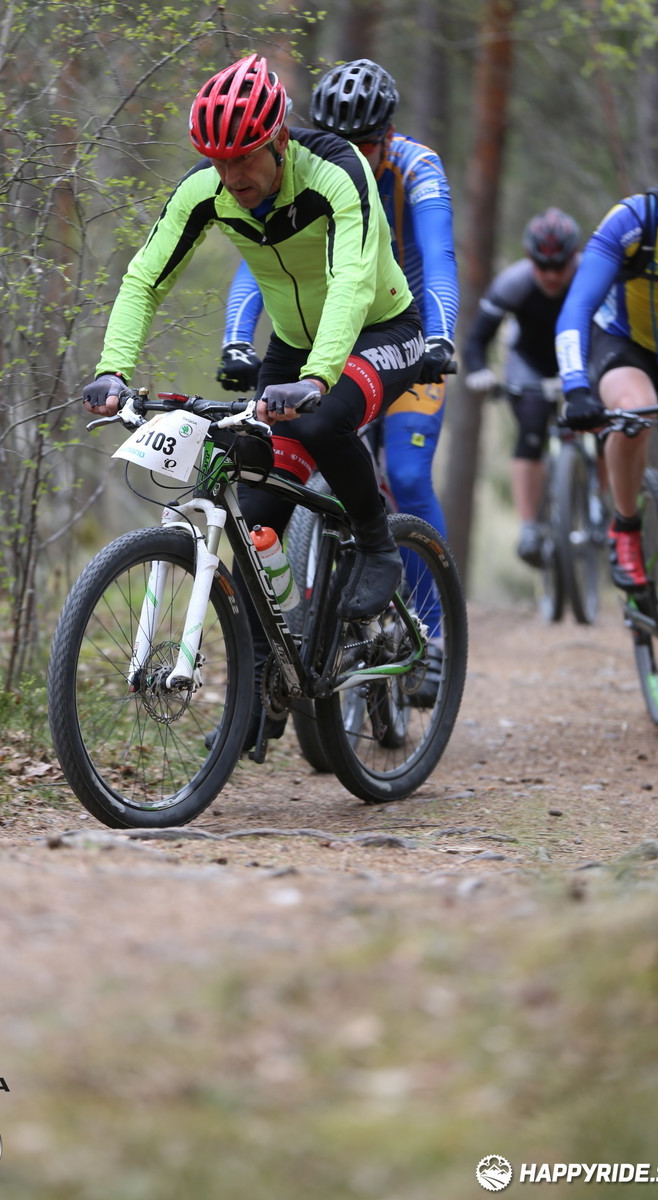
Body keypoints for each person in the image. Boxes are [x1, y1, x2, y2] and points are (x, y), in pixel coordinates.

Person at [82, 53, 428, 750]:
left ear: (277, 140)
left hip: (381, 331)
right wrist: (113, 370)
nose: (231, 175)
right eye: (218, 160)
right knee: (257, 510)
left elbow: (353, 279)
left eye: (243, 157)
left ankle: (375, 544)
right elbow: (145, 277)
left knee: (323, 423)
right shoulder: (206, 190)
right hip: (295, 348)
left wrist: (319, 379)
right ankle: (270, 676)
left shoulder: (336, 172)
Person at [217, 57, 459, 549]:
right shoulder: (303, 169)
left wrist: (439, 337)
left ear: (388, 135)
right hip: (327, 339)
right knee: (279, 477)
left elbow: (439, 256)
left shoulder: (417, 166)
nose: (348, 153)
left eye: (363, 143)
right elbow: (262, 262)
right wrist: (237, 341)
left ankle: (430, 599)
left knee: (408, 475)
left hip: (397, 333)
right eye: (334, 138)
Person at [555, 144, 658, 591]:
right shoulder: (633, 221)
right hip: (626, 344)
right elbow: (576, 308)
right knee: (635, 413)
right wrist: (576, 388)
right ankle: (626, 527)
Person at [463, 208, 581, 567]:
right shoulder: (513, 283)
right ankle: (529, 527)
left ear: (574, 257)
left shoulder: (591, 274)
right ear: (530, 258)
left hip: (580, 361)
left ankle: (605, 512)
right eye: (542, 266)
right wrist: (480, 371)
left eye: (560, 266)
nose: (551, 275)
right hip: (530, 364)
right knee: (531, 429)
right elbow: (476, 341)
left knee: (606, 424)